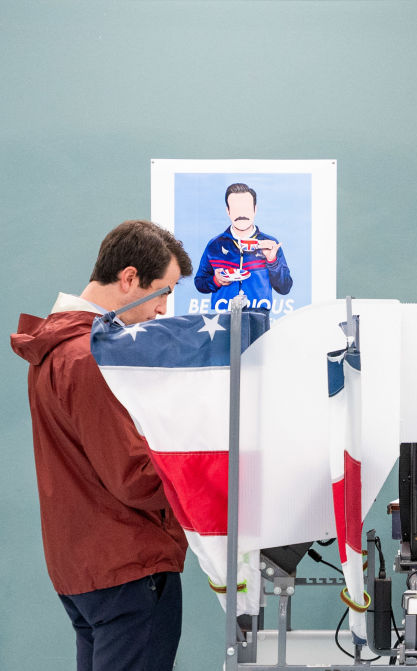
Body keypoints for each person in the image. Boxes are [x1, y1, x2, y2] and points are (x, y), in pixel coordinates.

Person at [11, 220, 193, 671]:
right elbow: (133, 477)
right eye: (163, 292)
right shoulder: (90, 356)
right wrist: (204, 474)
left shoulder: (54, 349)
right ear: (129, 279)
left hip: (81, 568)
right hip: (128, 566)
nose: (163, 310)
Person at [193, 182, 293, 310]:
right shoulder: (215, 244)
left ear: (255, 210)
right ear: (228, 211)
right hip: (222, 320)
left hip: (258, 319)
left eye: (246, 208)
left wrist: (272, 261)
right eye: (235, 209)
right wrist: (216, 280)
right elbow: (200, 283)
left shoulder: (269, 243)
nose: (241, 214)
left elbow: (285, 287)